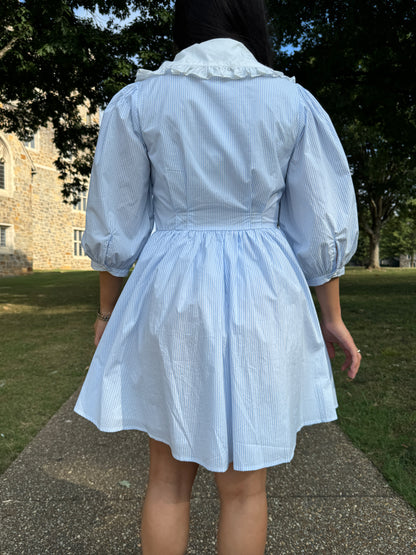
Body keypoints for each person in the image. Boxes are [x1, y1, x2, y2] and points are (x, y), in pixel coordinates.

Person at [73, 0, 362, 553]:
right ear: (250, 21)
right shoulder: (292, 102)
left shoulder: (139, 101)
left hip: (171, 282)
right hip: (265, 291)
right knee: (246, 488)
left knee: (167, 479)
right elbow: (320, 224)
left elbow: (116, 218)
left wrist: (107, 313)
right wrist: (333, 317)